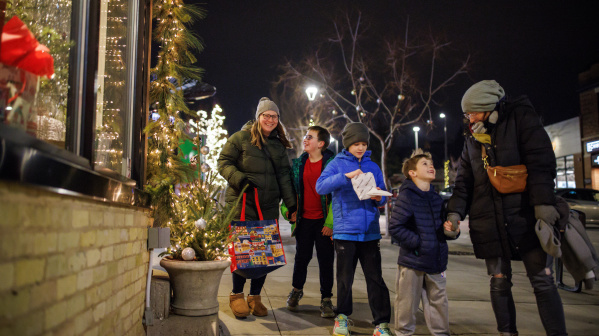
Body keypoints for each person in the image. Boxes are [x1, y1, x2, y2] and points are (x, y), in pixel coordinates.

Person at [446, 80, 567, 336]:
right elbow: (463, 183)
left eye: (473, 112)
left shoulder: (521, 118)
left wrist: (543, 204)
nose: (469, 117)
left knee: (543, 281)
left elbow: (540, 162)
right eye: (466, 114)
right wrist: (455, 213)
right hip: (489, 220)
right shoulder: (472, 138)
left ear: (489, 107)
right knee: (499, 282)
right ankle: (507, 333)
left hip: (526, 217)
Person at [217, 97, 297, 318]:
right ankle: (236, 295)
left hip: (268, 206)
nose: (270, 119)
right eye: (266, 115)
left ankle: (254, 297)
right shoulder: (241, 138)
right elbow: (223, 161)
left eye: (274, 116)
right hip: (243, 204)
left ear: (277, 119)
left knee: (263, 254)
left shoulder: (278, 146)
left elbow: (284, 176)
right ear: (258, 117)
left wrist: (291, 204)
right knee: (244, 252)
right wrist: (240, 179)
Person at [316, 122, 392, 336]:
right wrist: (345, 177)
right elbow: (320, 186)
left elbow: (382, 196)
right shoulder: (336, 163)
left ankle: (381, 323)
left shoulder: (373, 166)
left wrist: (379, 197)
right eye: (356, 143)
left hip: (369, 231)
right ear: (347, 144)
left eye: (363, 143)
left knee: (375, 278)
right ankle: (342, 317)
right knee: (344, 278)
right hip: (345, 231)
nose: (360, 147)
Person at [388, 149, 460, 336]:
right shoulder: (407, 196)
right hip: (413, 263)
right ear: (412, 173)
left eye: (431, 164)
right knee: (407, 305)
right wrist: (420, 244)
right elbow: (395, 227)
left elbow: (442, 230)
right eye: (424, 164)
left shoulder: (436, 198)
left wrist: (452, 231)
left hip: (436, 261)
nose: (431, 167)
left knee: (439, 304)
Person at [281, 125, 336, 317]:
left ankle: (326, 299)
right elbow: (288, 193)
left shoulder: (332, 165)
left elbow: (337, 197)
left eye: (310, 137)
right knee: (301, 259)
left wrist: (330, 223)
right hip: (304, 221)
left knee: (326, 260)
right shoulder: (298, 165)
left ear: (321, 144)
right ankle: (296, 291)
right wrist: (289, 212)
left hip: (323, 222)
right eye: (305, 136)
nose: (305, 139)